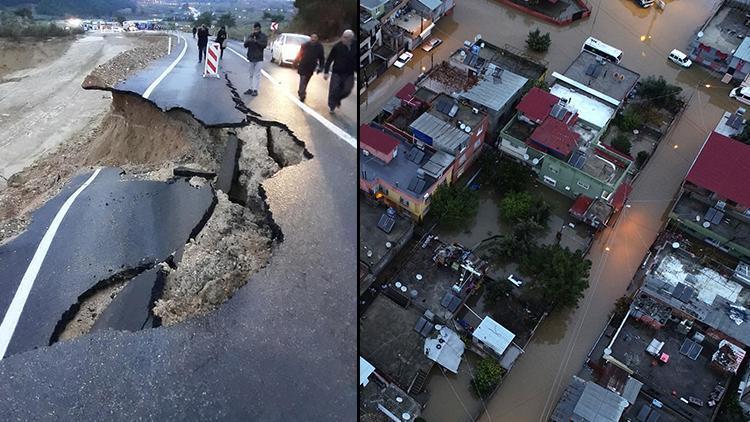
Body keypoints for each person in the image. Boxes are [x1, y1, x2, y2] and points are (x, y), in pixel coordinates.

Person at [323, 29, 356, 113]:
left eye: (346, 38)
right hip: (337, 72)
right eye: (343, 37)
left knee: (347, 90)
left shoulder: (355, 46)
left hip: (349, 73)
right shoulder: (337, 46)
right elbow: (329, 59)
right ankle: (332, 106)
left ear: (351, 38)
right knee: (334, 89)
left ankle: (338, 99)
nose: (343, 39)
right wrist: (326, 72)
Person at [293, 33, 325, 102]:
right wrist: (295, 62)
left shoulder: (319, 47)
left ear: (317, 39)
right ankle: (302, 93)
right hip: (303, 65)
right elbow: (299, 54)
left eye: (315, 38)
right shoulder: (305, 45)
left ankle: (302, 91)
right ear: (310, 38)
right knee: (302, 78)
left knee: (306, 80)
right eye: (312, 37)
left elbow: (321, 58)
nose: (313, 39)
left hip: (311, 66)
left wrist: (321, 67)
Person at [243, 22, 268, 97]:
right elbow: (245, 45)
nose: (255, 30)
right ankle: (250, 88)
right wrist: (249, 40)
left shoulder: (263, 36)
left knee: (257, 75)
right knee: (250, 74)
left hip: (259, 58)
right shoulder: (251, 35)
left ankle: (255, 90)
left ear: (259, 29)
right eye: (254, 29)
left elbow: (264, 45)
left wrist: (256, 41)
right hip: (251, 57)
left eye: (257, 29)